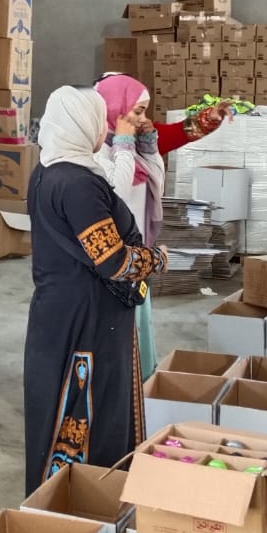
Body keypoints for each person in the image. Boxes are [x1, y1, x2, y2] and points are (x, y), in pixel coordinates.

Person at [25, 87, 169, 494]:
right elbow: (113, 261)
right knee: (88, 411)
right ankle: (85, 502)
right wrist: (156, 259)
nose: (103, 128)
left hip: (57, 310)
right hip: (87, 318)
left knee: (56, 405)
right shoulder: (79, 185)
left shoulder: (46, 172)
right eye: (98, 119)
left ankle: (55, 501)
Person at [95, 74, 167, 380]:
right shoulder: (98, 152)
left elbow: (157, 184)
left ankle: (140, 379)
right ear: (115, 108)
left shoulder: (131, 149)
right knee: (120, 321)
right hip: (114, 255)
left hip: (138, 251)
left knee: (139, 314)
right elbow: (116, 194)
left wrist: (148, 148)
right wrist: (123, 144)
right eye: (138, 111)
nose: (142, 119)